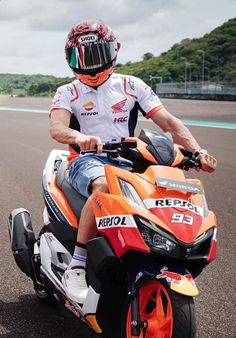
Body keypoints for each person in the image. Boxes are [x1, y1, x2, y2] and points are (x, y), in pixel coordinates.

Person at [49, 20, 217, 304]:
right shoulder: (68, 92)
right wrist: (80, 137)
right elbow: (57, 128)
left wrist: (197, 152)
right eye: (83, 58)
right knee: (103, 187)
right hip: (88, 160)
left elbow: (169, 123)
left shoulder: (131, 86)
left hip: (129, 159)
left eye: (97, 55)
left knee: (164, 189)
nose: (91, 66)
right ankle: (78, 264)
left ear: (113, 51)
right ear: (71, 60)